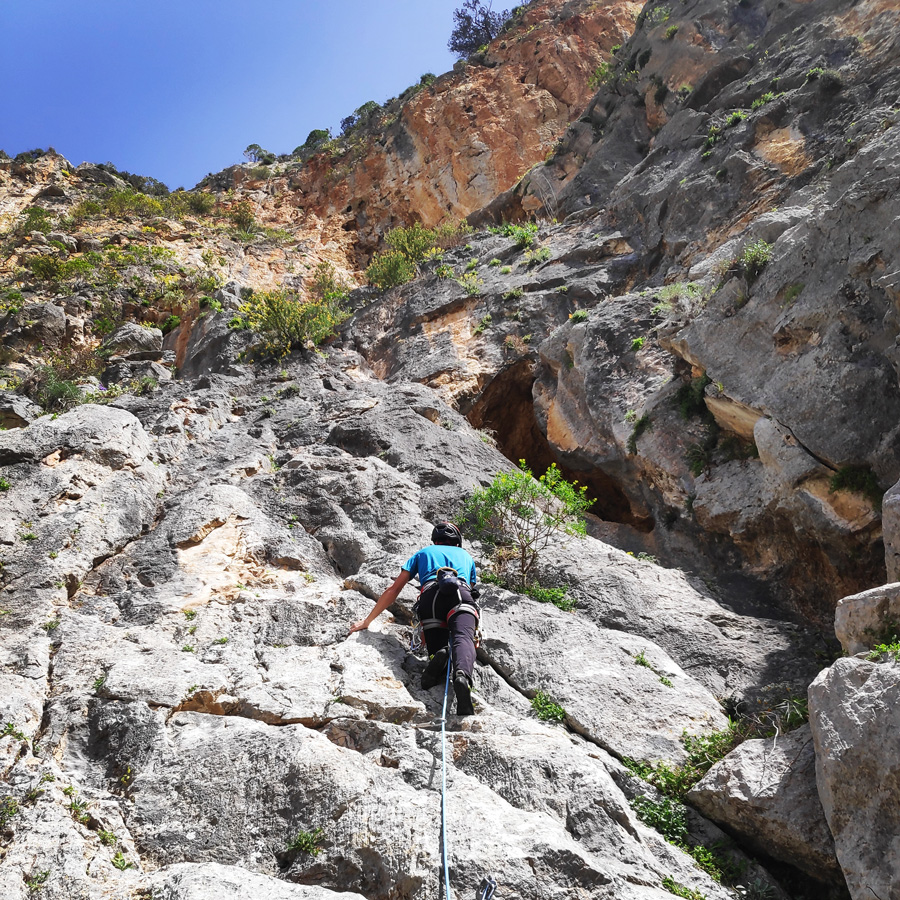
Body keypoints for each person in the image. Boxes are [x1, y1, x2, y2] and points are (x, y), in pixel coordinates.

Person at [348, 522, 480, 716]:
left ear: (435, 540)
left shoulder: (423, 553)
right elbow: (472, 589)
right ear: (457, 542)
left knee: (437, 642)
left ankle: (437, 658)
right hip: (460, 595)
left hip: (430, 598)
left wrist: (367, 621)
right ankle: (461, 676)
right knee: (463, 637)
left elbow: (394, 590)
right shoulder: (466, 557)